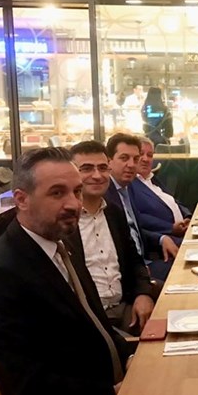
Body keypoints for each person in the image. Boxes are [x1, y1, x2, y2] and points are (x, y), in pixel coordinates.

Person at [0, 147, 132, 395]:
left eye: (77, 192)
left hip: (116, 391)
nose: (73, 204)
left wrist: (131, 358)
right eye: (57, 193)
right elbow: (30, 393)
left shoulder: (61, 243)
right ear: (21, 199)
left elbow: (95, 326)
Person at [67, 141, 155, 336]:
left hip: (125, 308)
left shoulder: (114, 212)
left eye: (102, 168)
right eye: (86, 169)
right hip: (87, 319)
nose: (97, 175)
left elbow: (135, 260)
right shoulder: (64, 221)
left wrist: (143, 294)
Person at [104, 133, 178, 281]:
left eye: (135, 159)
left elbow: (134, 231)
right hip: (129, 274)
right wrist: (140, 274)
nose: (131, 164)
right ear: (109, 161)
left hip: (145, 263)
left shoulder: (127, 188)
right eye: (124, 158)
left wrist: (161, 238)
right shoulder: (105, 196)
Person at [129, 137, 191, 244]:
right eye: (141, 154)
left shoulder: (152, 178)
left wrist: (188, 216)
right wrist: (171, 227)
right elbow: (138, 216)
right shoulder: (130, 185)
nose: (146, 159)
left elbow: (173, 201)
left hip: (185, 231)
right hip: (167, 239)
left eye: (150, 155)